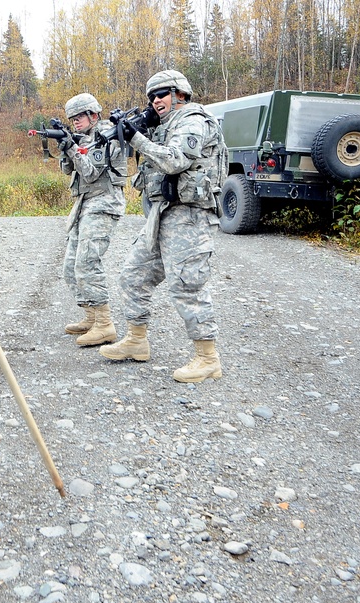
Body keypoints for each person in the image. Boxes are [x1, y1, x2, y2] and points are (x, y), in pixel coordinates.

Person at [98, 70, 226, 383]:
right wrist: (130, 131)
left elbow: (175, 161)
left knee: (187, 285)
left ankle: (208, 359)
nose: (157, 101)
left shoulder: (192, 119)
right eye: (152, 96)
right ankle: (136, 340)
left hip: (191, 215)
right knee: (134, 274)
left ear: (180, 93)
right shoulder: (164, 125)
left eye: (163, 94)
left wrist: (136, 138)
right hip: (163, 212)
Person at [58, 93, 128, 347]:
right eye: (72, 119)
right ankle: (90, 315)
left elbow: (89, 172)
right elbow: (68, 170)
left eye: (79, 117)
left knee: (87, 263)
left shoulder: (107, 136)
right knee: (70, 267)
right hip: (84, 203)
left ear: (93, 114)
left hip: (104, 201)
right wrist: (66, 148)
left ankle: (105, 324)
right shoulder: (84, 137)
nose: (75, 122)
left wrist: (72, 148)